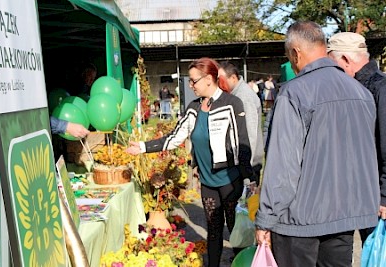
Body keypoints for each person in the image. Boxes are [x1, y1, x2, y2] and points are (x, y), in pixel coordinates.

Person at [255, 21, 379, 267]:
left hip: (299, 221)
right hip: (344, 216)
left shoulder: (294, 93)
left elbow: (283, 165)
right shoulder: (361, 92)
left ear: (296, 53)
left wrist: (266, 219)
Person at [126, 57, 252, 267]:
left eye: (194, 81)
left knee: (237, 231)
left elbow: (243, 144)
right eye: (190, 80)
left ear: (210, 79)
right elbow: (174, 138)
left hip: (231, 180)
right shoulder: (193, 108)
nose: (191, 85)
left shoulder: (232, 104)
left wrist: (250, 177)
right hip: (208, 182)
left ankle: (244, 262)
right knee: (213, 232)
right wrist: (142, 147)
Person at [327, 32, 386, 243]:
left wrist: (384, 195)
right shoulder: (356, 86)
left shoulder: (380, 88)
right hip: (359, 190)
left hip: (375, 193)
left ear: (345, 60)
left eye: (333, 64)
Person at [218, 61, 264, 185]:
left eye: (221, 79)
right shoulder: (233, 96)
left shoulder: (244, 98)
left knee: (246, 203)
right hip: (239, 164)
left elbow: (250, 134)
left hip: (247, 167)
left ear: (233, 78)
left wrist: (247, 173)